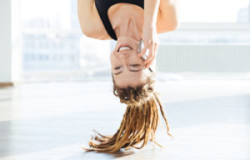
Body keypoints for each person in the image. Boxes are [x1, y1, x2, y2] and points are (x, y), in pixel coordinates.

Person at [77, 0, 179, 153]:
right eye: (133, 66)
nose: (122, 58)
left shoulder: (92, 27)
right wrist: (149, 25)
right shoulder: (166, 20)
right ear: (149, 64)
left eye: (117, 68)